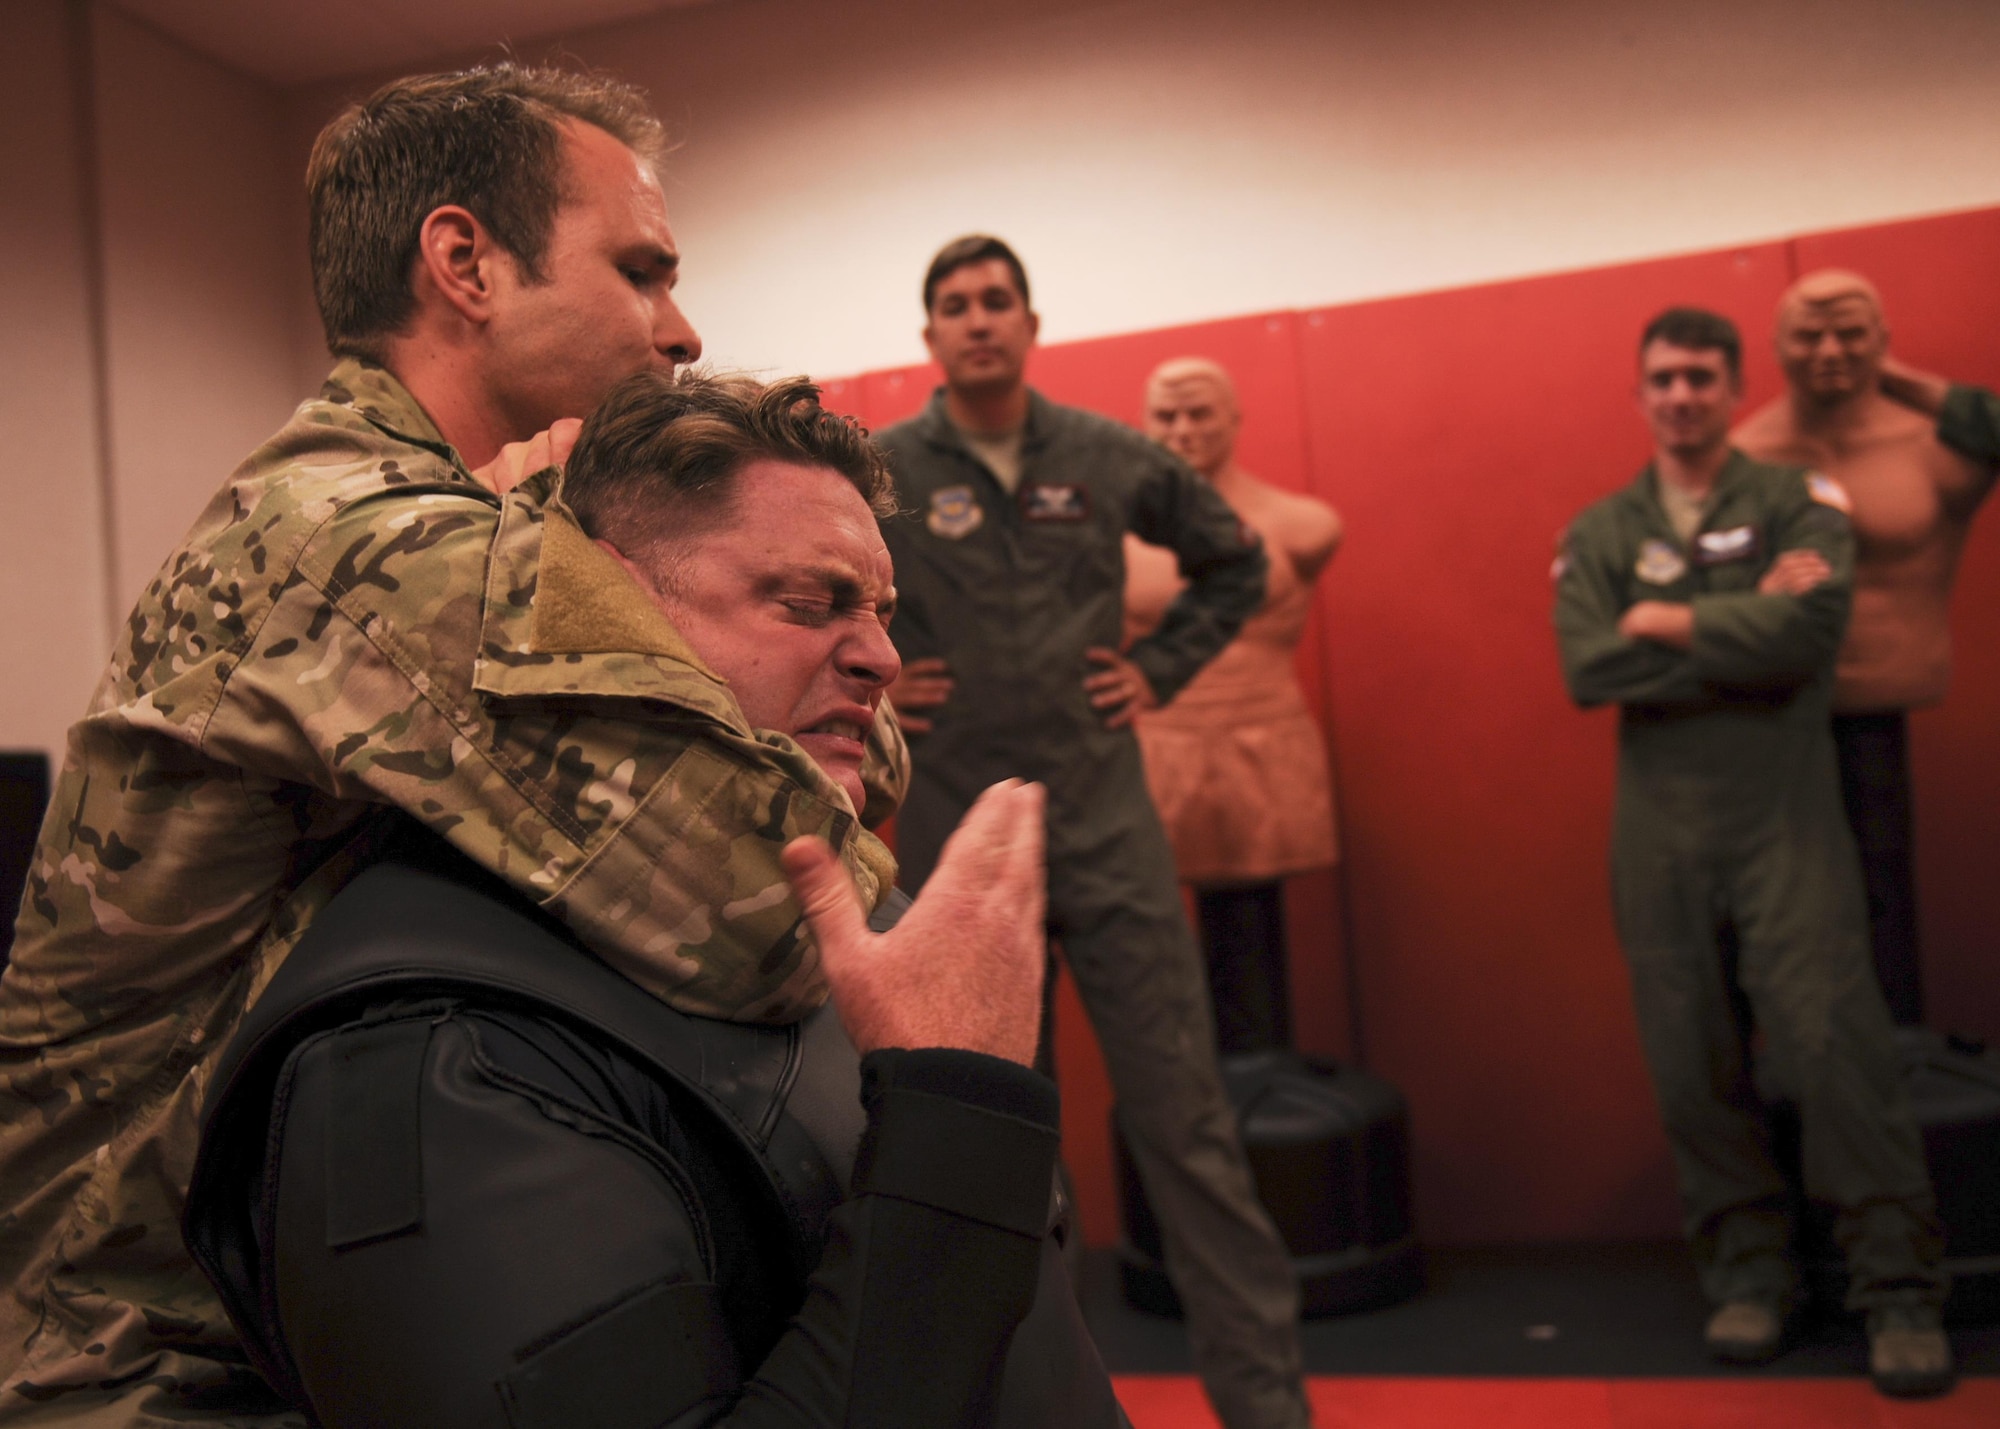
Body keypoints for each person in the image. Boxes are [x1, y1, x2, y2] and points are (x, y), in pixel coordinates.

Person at [0, 66, 909, 1423]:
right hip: (149, 1371)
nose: (680, 329)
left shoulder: (402, 517)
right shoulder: (365, 542)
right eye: (642, 270)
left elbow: (830, 746)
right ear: (465, 262)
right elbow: (773, 901)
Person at [181, 371, 1127, 1428]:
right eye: (811, 603)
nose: (881, 656)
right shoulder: (421, 1063)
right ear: (617, 603)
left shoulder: (799, 913)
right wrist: (956, 1119)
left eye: (879, 612)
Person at [876, 236, 1313, 1429]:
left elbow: (1234, 563)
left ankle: (1268, 1412)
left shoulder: (1108, 456)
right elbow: (811, 587)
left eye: (995, 302)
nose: (976, 322)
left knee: (1188, 1130)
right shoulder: (884, 469)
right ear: (930, 339)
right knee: (1005, 1158)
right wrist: (874, 685)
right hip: (961, 844)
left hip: (1106, 828)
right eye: (953, 306)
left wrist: (1160, 667)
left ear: (1029, 323)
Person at [1552, 306, 1951, 1399]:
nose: (1680, 395)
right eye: (1662, 379)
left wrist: (1666, 622)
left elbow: (1809, 633)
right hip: (1660, 831)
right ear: (1638, 395)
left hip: (1782, 815)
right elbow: (1588, 668)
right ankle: (1748, 1276)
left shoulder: (1793, 502)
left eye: (1699, 377)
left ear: (1732, 389)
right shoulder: (1599, 527)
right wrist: (1738, 630)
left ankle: (1898, 1292)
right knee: (1691, 1059)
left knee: (1834, 1050)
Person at [1733, 271, 2000, 1024]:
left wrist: (1900, 381)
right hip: (1783, 719)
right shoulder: (1745, 456)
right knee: (1803, 920)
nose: (1829, 350)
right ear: (1776, 348)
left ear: (1883, 341)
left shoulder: (1932, 446)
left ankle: (1899, 1070)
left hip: (1885, 699)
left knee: (1887, 915)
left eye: (1851, 332)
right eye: (1808, 335)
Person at [1124, 358, 1342, 1052]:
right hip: (1162, 750)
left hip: (1265, 743)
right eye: (1167, 414)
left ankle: (1265, 1091)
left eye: (1200, 412)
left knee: (1250, 941)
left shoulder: (1303, 526)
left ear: (1234, 420)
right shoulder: (1117, 541)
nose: (1183, 429)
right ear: (1145, 422)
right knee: (1159, 956)